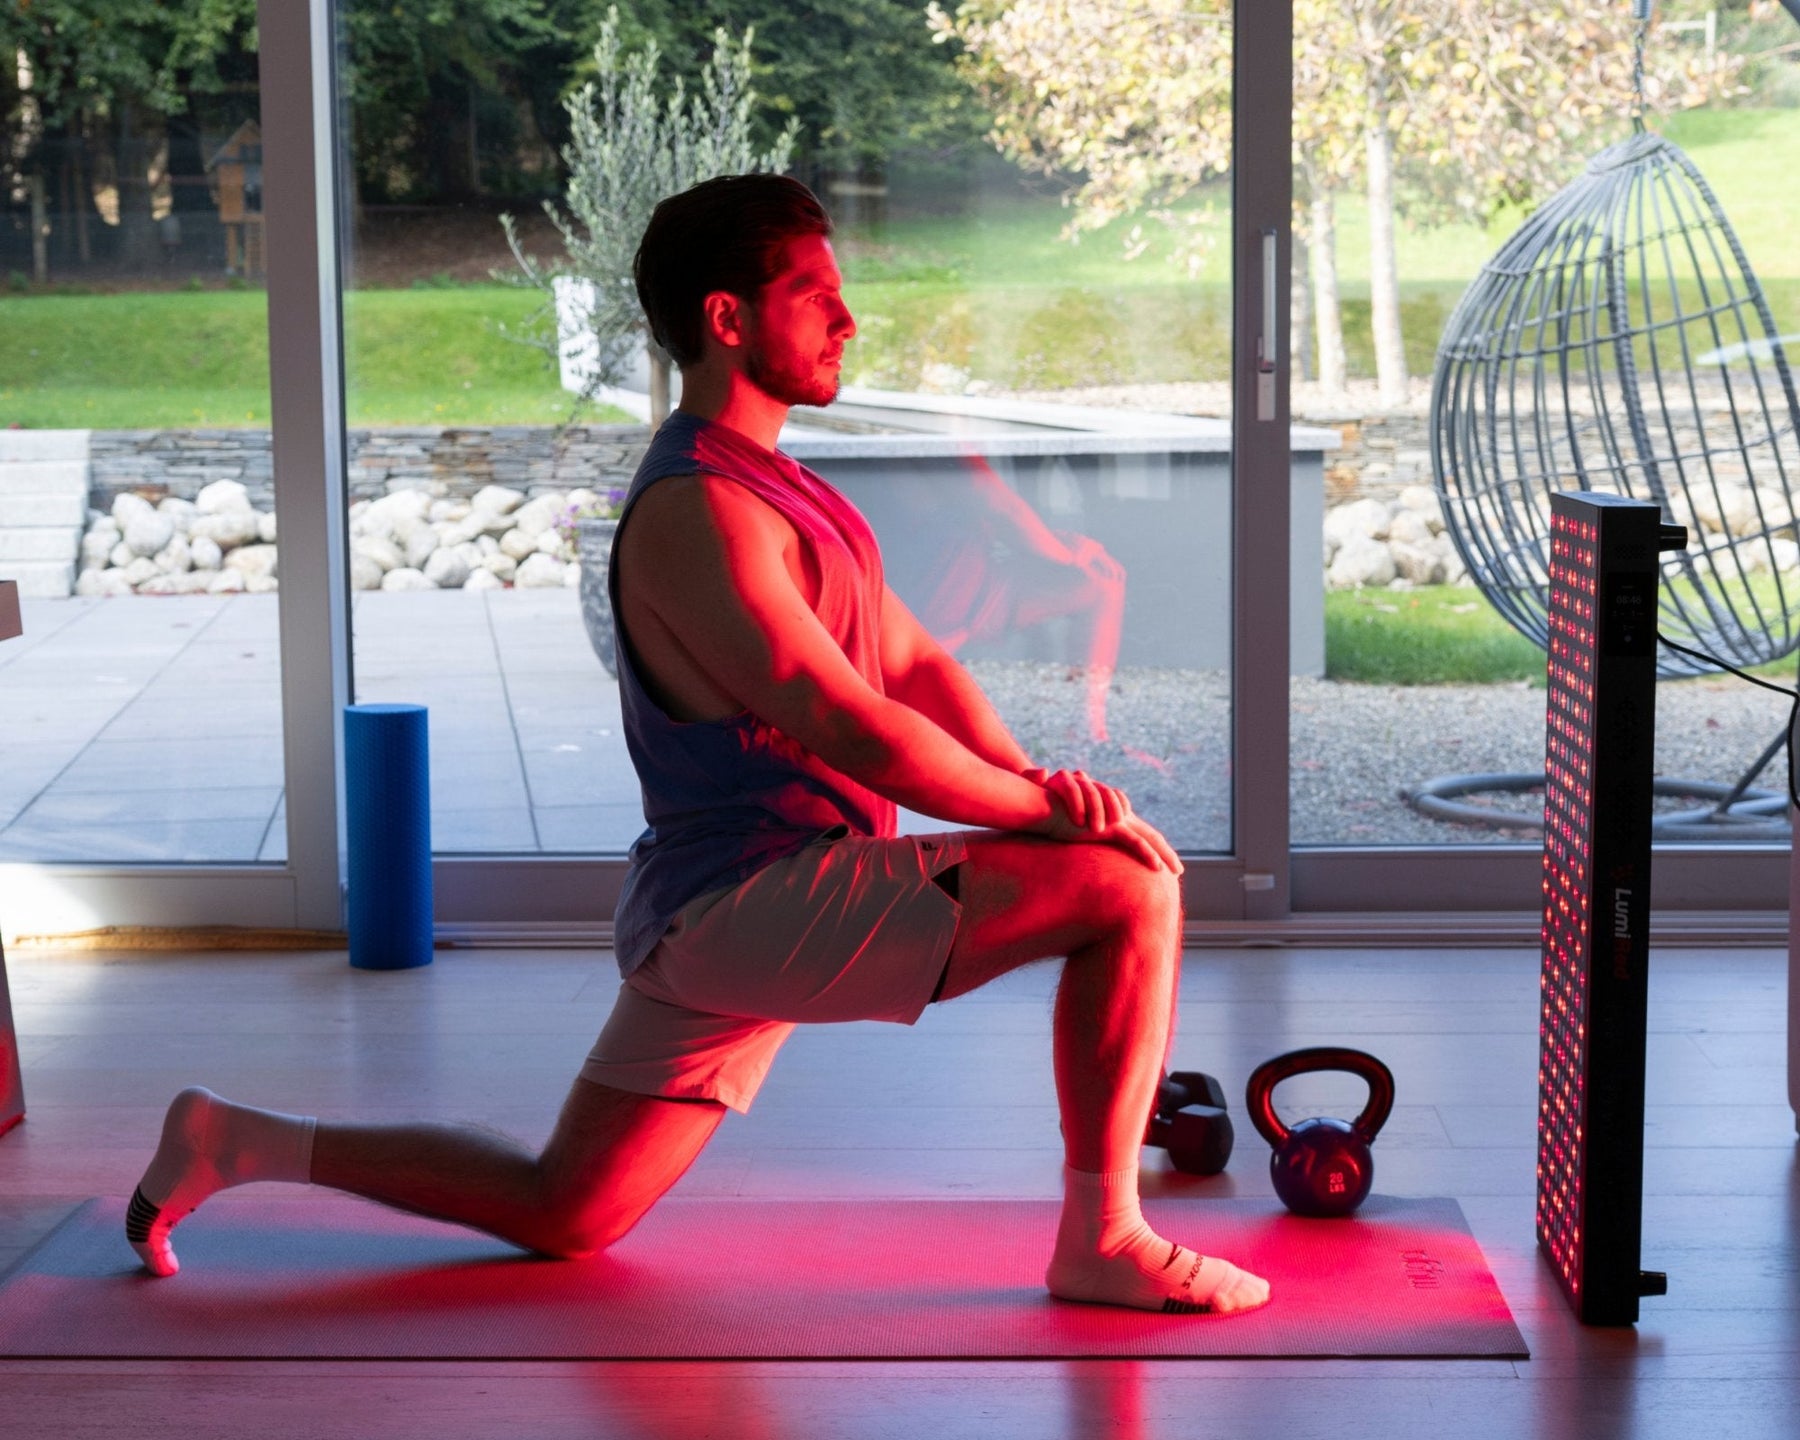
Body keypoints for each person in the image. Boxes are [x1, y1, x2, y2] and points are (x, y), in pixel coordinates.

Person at [126, 174, 1269, 1317]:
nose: (847, 319)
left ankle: (232, 1140)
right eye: (815, 295)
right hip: (755, 898)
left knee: (565, 1207)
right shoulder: (696, 513)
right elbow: (847, 721)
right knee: (1127, 892)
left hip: (744, 902)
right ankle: (1106, 1238)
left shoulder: (788, 491)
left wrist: (1030, 783)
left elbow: (914, 665)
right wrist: (1045, 818)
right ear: (728, 319)